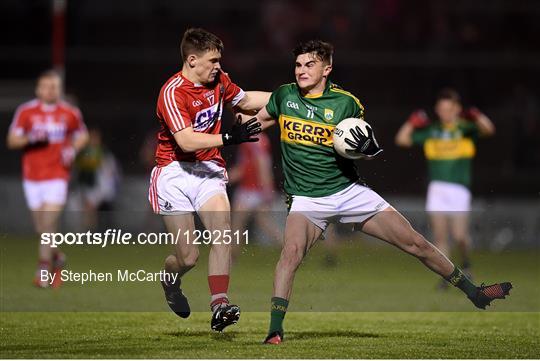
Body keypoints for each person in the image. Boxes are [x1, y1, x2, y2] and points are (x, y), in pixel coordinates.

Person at [250, 40, 511, 344]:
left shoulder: (347, 103)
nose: (302, 70)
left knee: (417, 243)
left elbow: (359, 146)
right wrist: (227, 134)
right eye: (298, 65)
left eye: (310, 64)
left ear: (327, 68)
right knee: (289, 255)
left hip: (349, 192)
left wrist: (365, 151)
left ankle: (474, 292)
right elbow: (258, 121)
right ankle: (275, 330)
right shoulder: (285, 95)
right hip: (308, 198)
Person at [149, 28, 269, 332]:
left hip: (208, 170)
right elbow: (187, 141)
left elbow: (246, 99)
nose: (218, 66)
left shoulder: (220, 80)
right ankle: (170, 279)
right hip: (174, 172)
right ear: (192, 60)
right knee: (188, 257)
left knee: (223, 233)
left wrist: (293, 96)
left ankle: (219, 306)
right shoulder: (172, 92)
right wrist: (229, 136)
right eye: (213, 60)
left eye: (219, 60)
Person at [395, 89, 496, 287]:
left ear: (457, 109)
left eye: (449, 109)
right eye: (441, 109)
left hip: (459, 189)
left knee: (460, 237)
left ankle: (466, 261)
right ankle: (448, 277)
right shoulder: (432, 130)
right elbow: (401, 139)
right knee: (440, 237)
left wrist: (477, 115)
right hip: (437, 188)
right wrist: (411, 122)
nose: (444, 113)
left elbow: (489, 130)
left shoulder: (466, 129)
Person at [6, 69, 89, 288]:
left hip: (57, 176)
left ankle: (43, 270)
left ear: (58, 89)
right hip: (32, 177)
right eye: (45, 86)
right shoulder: (26, 112)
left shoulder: (69, 112)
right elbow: (12, 140)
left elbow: (82, 135)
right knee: (41, 228)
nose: (49, 90)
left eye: (53, 86)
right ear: (38, 89)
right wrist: (30, 138)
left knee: (48, 222)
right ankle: (58, 258)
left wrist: (72, 148)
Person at [228, 129, 282, 257]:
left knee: (236, 226)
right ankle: (290, 249)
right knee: (266, 224)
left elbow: (260, 164)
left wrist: (224, 178)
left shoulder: (252, 139)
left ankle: (229, 260)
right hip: (256, 189)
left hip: (250, 190)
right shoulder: (261, 138)